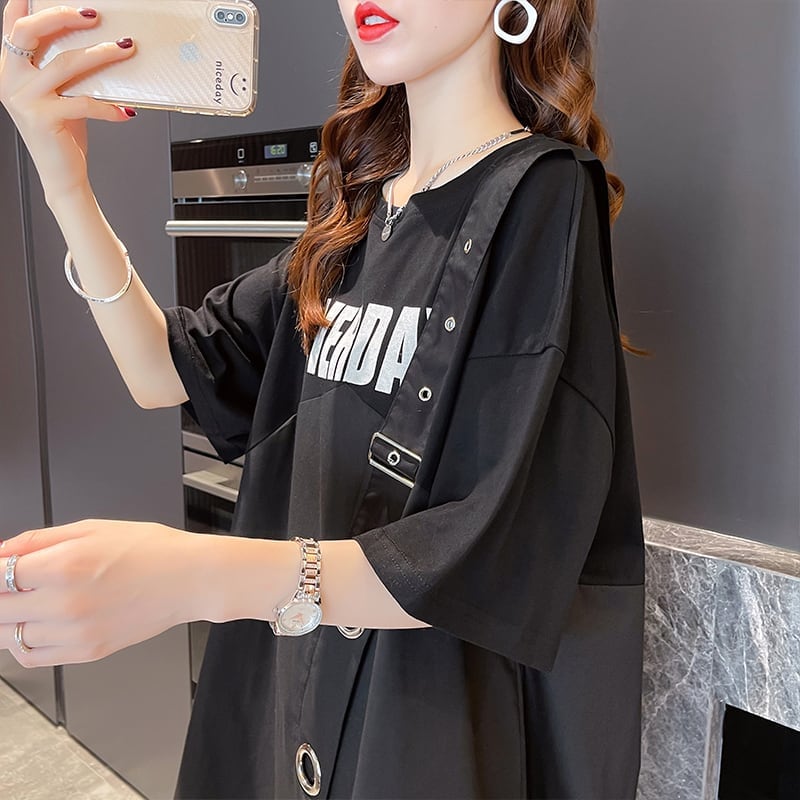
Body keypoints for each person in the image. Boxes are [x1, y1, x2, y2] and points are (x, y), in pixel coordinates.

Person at [0, 0, 646, 797]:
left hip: (420, 736)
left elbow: (487, 551)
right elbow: (162, 369)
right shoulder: (355, 218)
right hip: (299, 705)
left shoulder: (543, 195)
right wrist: (62, 173)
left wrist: (188, 576)